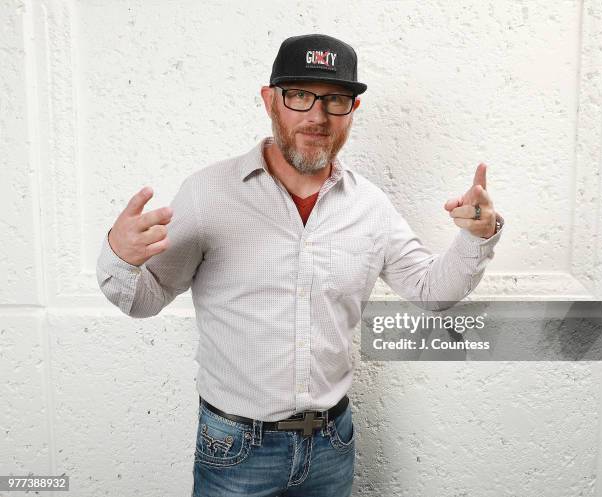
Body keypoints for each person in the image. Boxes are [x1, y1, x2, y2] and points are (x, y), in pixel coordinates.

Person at [96, 33, 504, 497]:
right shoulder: (208, 194)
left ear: (353, 110)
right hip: (234, 448)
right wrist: (120, 256)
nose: (317, 115)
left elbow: (433, 293)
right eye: (300, 95)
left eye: (335, 99)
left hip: (332, 443)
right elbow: (143, 300)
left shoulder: (371, 206)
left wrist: (477, 236)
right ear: (270, 100)